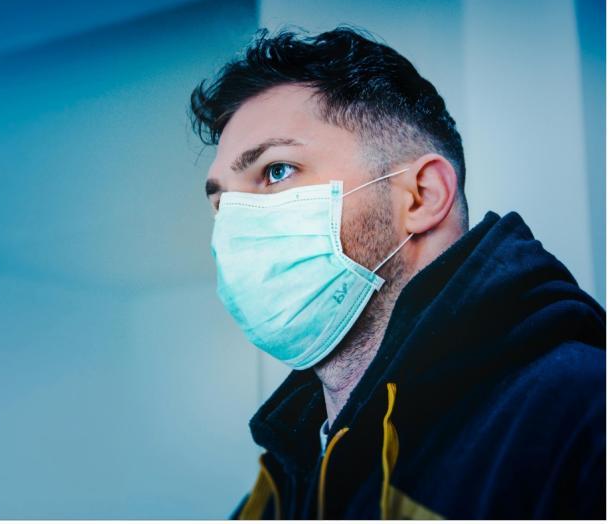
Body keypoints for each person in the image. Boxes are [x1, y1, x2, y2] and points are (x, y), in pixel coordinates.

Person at [188, 26, 605, 519]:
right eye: (222, 202)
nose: (236, 225)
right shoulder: (279, 487)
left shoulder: (582, 419)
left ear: (421, 196)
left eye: (277, 171)